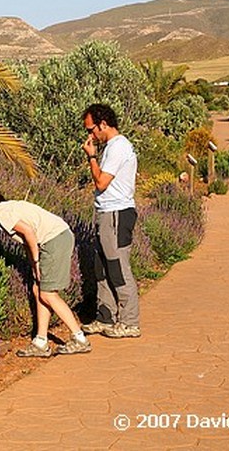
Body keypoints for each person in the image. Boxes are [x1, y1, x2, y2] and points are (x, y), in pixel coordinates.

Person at [0, 187, 91, 357]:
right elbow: (27, 242)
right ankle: (40, 342)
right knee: (38, 289)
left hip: (53, 240)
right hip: (57, 236)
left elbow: (28, 231)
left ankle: (79, 338)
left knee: (48, 294)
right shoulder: (6, 207)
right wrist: (35, 268)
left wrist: (35, 260)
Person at [81, 103, 141, 338]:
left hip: (117, 214)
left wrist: (92, 158)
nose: (90, 135)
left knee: (117, 268)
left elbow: (101, 182)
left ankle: (130, 321)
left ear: (103, 124)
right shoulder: (112, 147)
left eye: (91, 129)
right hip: (106, 213)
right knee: (102, 268)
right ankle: (106, 316)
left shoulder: (118, 147)